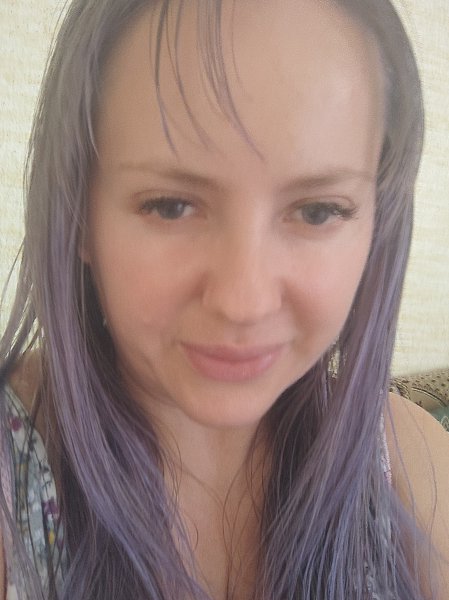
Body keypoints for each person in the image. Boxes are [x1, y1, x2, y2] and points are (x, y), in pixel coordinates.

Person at [0, 0, 448, 598]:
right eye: (170, 206)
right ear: (78, 215)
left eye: (318, 211)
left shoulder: (414, 463)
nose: (244, 302)